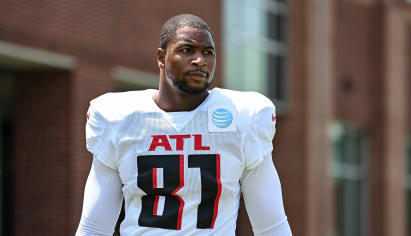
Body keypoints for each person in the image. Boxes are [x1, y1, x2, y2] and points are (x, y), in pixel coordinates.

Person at [76, 14, 292, 236]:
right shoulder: (120, 118)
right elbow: (95, 226)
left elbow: (271, 224)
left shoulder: (242, 117)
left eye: (208, 52)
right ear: (161, 57)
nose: (200, 60)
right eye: (187, 50)